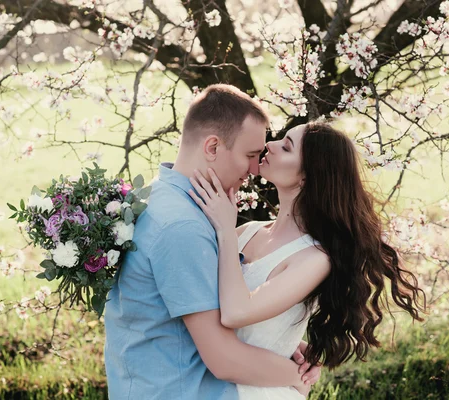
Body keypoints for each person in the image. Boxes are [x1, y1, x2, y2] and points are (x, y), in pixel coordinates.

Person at [104, 84, 320, 400]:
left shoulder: (155, 196)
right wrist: (295, 377)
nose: (253, 169)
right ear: (212, 147)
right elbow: (223, 358)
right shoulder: (183, 227)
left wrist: (280, 341)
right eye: (249, 155)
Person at [189, 120, 427, 399]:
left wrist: (224, 231)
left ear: (307, 177)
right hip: (208, 383)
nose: (270, 145)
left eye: (286, 147)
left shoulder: (314, 258)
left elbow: (236, 313)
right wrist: (287, 343)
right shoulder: (246, 232)